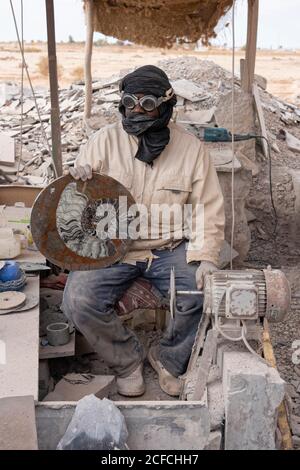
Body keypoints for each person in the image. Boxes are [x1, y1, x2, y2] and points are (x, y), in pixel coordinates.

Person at [62, 65, 225, 397]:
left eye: (147, 104)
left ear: (165, 105)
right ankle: (127, 361)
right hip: (112, 248)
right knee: (77, 301)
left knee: (200, 293)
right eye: (129, 103)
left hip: (169, 246)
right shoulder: (102, 142)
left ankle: (168, 358)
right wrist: (77, 180)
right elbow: (77, 208)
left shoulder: (190, 148)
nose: (137, 111)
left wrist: (207, 257)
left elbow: (208, 207)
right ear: (121, 104)